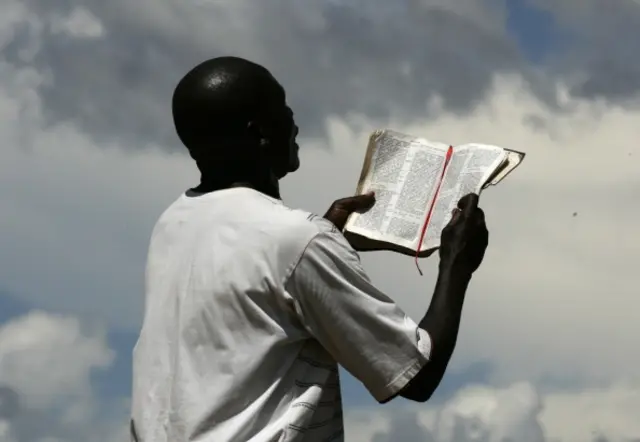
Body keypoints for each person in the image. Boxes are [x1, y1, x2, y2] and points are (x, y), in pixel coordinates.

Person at [130, 56, 488, 442]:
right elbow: (415, 375)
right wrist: (456, 263)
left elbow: (250, 287)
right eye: (284, 109)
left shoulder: (173, 222)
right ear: (261, 134)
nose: (295, 123)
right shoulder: (296, 240)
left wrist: (324, 236)